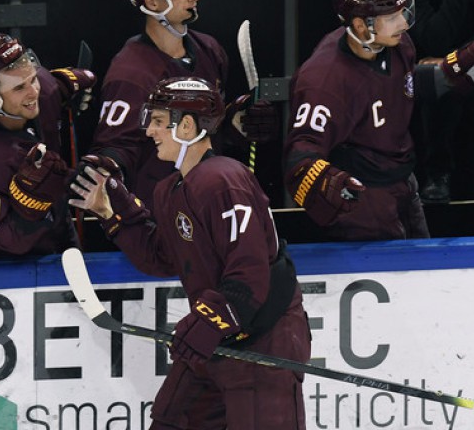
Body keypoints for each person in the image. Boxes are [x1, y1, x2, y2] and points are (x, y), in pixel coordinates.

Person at [69, 77, 310, 429]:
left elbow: (248, 275)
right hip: (219, 333)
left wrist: (208, 322)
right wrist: (111, 211)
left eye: (157, 121)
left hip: (265, 339)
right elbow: (161, 256)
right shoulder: (170, 190)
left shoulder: (225, 180)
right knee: (172, 420)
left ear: (186, 124)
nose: (149, 130)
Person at [282, 0, 474, 241]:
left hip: (404, 183)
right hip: (364, 199)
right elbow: (299, 158)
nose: (403, 23)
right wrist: (328, 184)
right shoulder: (324, 81)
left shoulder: (398, 45)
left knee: (421, 270)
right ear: (360, 26)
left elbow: (407, 84)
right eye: (391, 18)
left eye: (403, 12)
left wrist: (459, 70)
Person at [82, 0, 276, 210]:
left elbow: (202, 128)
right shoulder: (130, 74)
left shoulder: (210, 50)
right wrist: (106, 167)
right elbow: (117, 147)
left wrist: (235, 124)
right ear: (152, 2)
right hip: (159, 213)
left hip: (208, 203)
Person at [0, 33, 96, 257]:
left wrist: (67, 88)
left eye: (33, 78)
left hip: (61, 230)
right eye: (19, 88)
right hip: (9, 265)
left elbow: (51, 84)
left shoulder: (43, 88)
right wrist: (32, 210)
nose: (34, 92)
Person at [407, 0, 474, 204]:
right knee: (438, 86)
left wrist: (464, 58)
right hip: (430, 75)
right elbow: (434, 38)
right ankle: (437, 174)